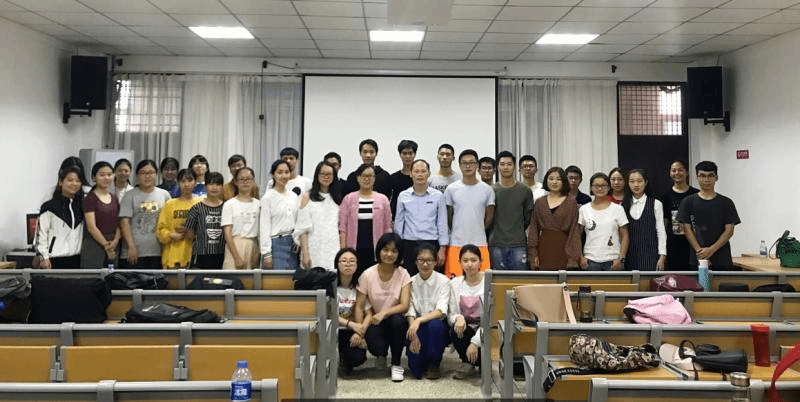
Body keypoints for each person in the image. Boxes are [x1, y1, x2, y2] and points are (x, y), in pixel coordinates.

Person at [354, 233, 411, 382]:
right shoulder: (367, 274)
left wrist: (385, 313)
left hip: (394, 318)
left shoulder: (403, 274)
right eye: (385, 250)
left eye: (394, 251)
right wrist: (359, 331)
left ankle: (396, 363)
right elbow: (359, 306)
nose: (389, 254)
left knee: (398, 321)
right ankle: (382, 354)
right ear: (378, 251)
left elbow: (405, 305)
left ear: (399, 254)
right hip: (374, 320)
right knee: (376, 347)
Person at [677, 161, 741, 271]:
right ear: (697, 177)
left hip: (722, 259)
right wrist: (700, 252)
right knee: (702, 283)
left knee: (721, 283)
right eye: (702, 176)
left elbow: (729, 230)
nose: (706, 180)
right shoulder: (688, 202)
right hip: (698, 259)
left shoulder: (726, 202)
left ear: (716, 178)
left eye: (710, 176)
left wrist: (711, 250)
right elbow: (686, 229)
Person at [394, 159, 448, 276]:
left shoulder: (438, 196)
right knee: (410, 278)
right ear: (410, 173)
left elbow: (442, 223)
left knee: (432, 279)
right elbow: (399, 223)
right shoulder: (403, 196)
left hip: (431, 242)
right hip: (409, 244)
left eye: (423, 171)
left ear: (429, 174)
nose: (420, 174)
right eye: (416, 171)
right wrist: (398, 248)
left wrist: (442, 249)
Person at [445, 149, 494, 278]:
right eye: (464, 163)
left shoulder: (487, 190)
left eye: (471, 163)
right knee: (454, 284)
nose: (468, 166)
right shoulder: (451, 189)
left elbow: (489, 218)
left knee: (482, 283)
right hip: (456, 243)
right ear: (459, 165)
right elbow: (449, 217)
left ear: (477, 165)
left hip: (480, 243)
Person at [405, 243, 450, 380]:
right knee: (416, 370)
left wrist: (419, 320)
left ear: (435, 262)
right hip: (416, 325)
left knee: (435, 325)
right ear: (415, 262)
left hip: (436, 324)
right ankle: (422, 359)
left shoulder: (444, 281)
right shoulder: (410, 282)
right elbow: (410, 309)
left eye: (429, 260)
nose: (425, 264)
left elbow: (441, 310)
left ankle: (434, 363)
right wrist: (413, 330)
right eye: (421, 260)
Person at [339, 163, 393, 275]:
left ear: (374, 178)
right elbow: (343, 227)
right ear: (358, 178)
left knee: (373, 277)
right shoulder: (348, 199)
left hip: (376, 248)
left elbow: (387, 227)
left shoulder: (383, 199)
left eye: (370, 176)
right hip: (353, 247)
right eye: (364, 176)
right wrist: (343, 250)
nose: (367, 179)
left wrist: (387, 248)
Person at [119, 160, 172, 269]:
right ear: (137, 176)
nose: (147, 176)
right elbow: (124, 222)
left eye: (151, 173)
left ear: (157, 174)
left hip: (158, 251)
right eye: (143, 173)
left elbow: (169, 221)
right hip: (134, 252)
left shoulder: (164, 194)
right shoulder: (129, 195)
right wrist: (131, 246)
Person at [528, 167, 581, 270]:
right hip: (543, 247)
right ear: (546, 181)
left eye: (558, 179)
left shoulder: (571, 203)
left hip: (564, 248)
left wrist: (572, 258)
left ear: (564, 181)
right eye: (551, 178)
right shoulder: (540, 202)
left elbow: (574, 232)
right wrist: (533, 253)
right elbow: (534, 229)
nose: (554, 182)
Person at [295, 161, 343, 272]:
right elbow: (302, 228)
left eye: (329, 174)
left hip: (333, 248)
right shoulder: (307, 196)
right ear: (317, 175)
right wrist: (305, 254)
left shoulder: (337, 198)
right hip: (313, 248)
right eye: (323, 174)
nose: (326, 177)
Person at [490, 151, 533, 271]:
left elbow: (528, 217)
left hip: (518, 244)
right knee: (498, 280)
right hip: (496, 244)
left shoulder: (525, 190)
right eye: (502, 164)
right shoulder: (491, 190)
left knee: (520, 279)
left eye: (509, 164)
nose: (506, 167)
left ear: (514, 167)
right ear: (497, 167)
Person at [578, 173, 629, 271]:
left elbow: (625, 235)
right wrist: (581, 257)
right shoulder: (584, 209)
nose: (600, 189)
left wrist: (621, 258)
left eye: (603, 186)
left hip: (613, 261)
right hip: (590, 261)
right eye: (596, 186)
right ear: (591, 188)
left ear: (609, 187)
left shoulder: (618, 209)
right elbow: (577, 236)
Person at [36, 166, 84, 269]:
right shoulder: (49, 207)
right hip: (55, 259)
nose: (74, 183)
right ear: (61, 182)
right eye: (70, 180)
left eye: (78, 181)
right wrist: (44, 257)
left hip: (78, 259)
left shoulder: (82, 206)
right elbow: (42, 233)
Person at [448, 244, 484, 380]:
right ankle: (467, 362)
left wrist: (475, 342)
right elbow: (451, 314)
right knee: (455, 329)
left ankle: (480, 361)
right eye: (465, 260)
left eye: (473, 260)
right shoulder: (455, 284)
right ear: (460, 263)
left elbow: (491, 319)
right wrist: (458, 317)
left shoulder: (488, 283)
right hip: (466, 330)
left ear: (481, 262)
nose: (469, 264)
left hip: (485, 331)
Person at [622, 169, 666, 271]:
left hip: (651, 254)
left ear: (645, 182)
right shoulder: (623, 206)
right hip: (629, 255)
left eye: (639, 181)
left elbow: (661, 231)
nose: (636, 185)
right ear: (628, 183)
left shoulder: (656, 204)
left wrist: (662, 256)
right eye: (632, 181)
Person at [156, 169, 201, 268]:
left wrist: (192, 234)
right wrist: (170, 235)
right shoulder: (169, 204)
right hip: (172, 257)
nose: (186, 184)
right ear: (178, 183)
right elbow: (160, 230)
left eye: (189, 180)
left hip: (195, 257)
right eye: (183, 181)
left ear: (195, 182)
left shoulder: (201, 203)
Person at [660, 160, 699, 271]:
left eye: (680, 170)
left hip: (694, 245)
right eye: (674, 170)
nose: (677, 173)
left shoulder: (696, 194)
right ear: (670, 173)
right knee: (675, 277)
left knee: (698, 276)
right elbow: (664, 223)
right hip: (673, 245)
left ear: (686, 172)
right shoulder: (666, 196)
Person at [260, 160, 299, 270]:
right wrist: (266, 253)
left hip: (293, 244)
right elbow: (264, 227)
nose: (284, 176)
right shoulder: (267, 198)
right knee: (277, 278)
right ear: (273, 175)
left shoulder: (293, 196)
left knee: (292, 278)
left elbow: (298, 221)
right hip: (276, 244)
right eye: (280, 172)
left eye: (286, 172)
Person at [81, 161, 120, 268]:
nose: (106, 178)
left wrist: (116, 241)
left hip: (113, 245)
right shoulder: (89, 199)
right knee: (94, 276)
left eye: (109, 174)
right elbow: (91, 227)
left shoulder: (114, 198)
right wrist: (106, 246)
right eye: (102, 175)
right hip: (94, 244)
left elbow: (119, 223)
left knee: (112, 276)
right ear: (94, 177)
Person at [336, 248, 368, 376]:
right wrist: (350, 324)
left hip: (352, 331)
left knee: (357, 357)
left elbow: (369, 313)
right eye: (343, 261)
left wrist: (360, 332)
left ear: (357, 265)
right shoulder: (330, 287)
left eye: (352, 261)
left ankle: (346, 361)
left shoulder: (360, 287)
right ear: (337, 264)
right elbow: (328, 314)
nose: (348, 264)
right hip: (335, 329)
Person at [184, 172, 226, 269]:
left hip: (222, 253)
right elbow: (189, 231)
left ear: (222, 187)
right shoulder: (197, 208)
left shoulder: (226, 207)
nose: (214, 187)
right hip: (201, 254)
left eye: (218, 184)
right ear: (206, 186)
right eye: (211, 184)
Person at [221, 167, 261, 269]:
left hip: (253, 245)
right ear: (236, 182)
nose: (245, 182)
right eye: (242, 179)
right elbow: (227, 233)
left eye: (248, 179)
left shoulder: (259, 204)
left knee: (252, 278)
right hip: (235, 245)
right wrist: (236, 257)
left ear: (253, 181)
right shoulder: (229, 204)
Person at [389, 139, 416, 217]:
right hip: (397, 217)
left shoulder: (419, 178)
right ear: (400, 155)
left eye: (410, 153)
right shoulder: (393, 178)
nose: (407, 156)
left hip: (415, 217)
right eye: (404, 153)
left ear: (414, 154)